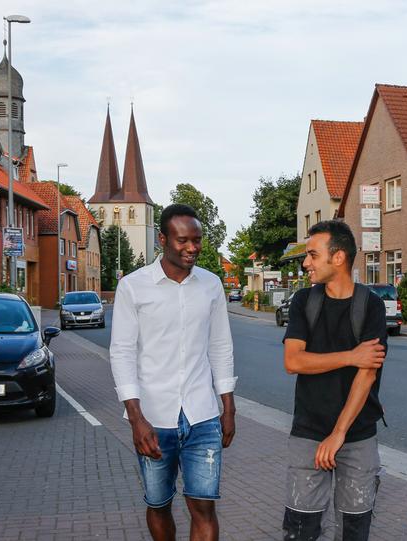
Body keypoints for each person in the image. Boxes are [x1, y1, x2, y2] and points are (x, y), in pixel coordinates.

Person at [110, 204, 237, 541]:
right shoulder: (134, 287)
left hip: (203, 416)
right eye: (183, 241)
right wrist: (136, 418)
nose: (192, 248)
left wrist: (229, 406)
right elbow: (121, 352)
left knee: (204, 507)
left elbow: (220, 346)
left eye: (197, 240)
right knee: (159, 504)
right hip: (153, 418)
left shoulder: (210, 285)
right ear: (163, 240)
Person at [282, 220, 388, 541]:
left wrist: (339, 433)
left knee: (354, 532)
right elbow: (293, 361)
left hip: (357, 436)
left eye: (313, 255)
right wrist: (350, 356)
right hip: (308, 433)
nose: (306, 263)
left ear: (338, 257)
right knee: (300, 531)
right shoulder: (304, 302)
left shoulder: (370, 305)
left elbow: (367, 374)